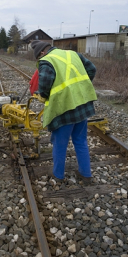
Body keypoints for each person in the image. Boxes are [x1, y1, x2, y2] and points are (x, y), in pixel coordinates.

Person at [31, 40, 97, 185]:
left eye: (38, 57)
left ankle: (58, 176)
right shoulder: (73, 54)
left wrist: (44, 95)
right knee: (80, 141)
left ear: (42, 52)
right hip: (82, 105)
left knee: (60, 144)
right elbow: (92, 69)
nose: (39, 60)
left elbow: (45, 84)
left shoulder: (47, 61)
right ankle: (86, 174)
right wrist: (80, 89)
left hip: (63, 109)